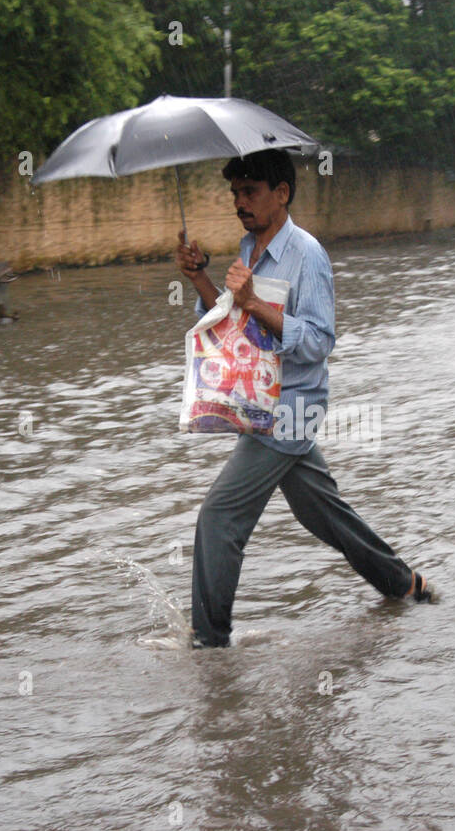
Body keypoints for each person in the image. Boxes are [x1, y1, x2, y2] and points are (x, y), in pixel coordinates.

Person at [174, 149, 434, 648]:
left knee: (219, 517)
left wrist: (254, 302)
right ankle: (404, 585)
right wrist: (201, 279)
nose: (240, 203)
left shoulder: (307, 255)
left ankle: (209, 645)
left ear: (282, 194)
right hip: (260, 402)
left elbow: (319, 341)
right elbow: (232, 324)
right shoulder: (249, 248)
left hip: (291, 408)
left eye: (250, 192)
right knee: (322, 512)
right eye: (235, 193)